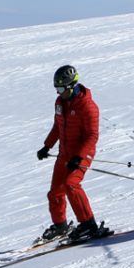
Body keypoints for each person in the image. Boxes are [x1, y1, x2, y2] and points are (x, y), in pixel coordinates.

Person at [36, 64, 103, 241]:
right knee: (55, 192)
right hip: (64, 153)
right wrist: (46, 146)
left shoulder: (88, 106)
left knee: (71, 184)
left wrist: (79, 157)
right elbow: (58, 126)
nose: (58, 92)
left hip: (81, 154)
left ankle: (89, 224)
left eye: (60, 88)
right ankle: (60, 226)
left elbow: (92, 136)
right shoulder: (60, 102)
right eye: (56, 88)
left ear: (71, 86)